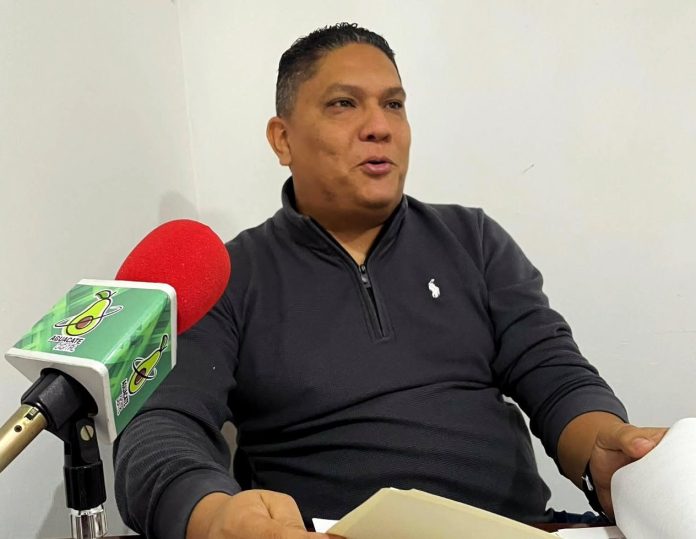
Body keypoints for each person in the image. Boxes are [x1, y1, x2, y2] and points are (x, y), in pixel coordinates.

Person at [114, 23, 666, 539]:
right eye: (344, 103)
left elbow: (553, 373)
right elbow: (160, 427)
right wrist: (215, 517)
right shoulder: (226, 275)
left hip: (519, 528)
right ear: (283, 140)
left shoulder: (472, 239)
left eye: (394, 104)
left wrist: (605, 449)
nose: (379, 126)